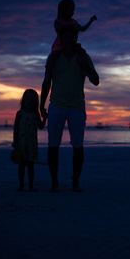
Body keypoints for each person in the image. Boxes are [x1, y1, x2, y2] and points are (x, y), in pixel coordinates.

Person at [40, 25, 100, 192]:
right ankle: (54, 182)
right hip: (56, 105)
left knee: (78, 146)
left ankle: (75, 182)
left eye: (72, 36)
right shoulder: (53, 57)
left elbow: (96, 80)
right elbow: (46, 82)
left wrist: (85, 67)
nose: (69, 39)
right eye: (65, 36)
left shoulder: (83, 56)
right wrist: (41, 105)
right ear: (60, 38)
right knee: (53, 145)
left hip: (77, 107)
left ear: (76, 38)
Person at [13, 89, 46, 192]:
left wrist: (45, 118)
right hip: (21, 143)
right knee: (21, 165)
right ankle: (21, 185)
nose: (30, 102)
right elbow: (16, 128)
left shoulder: (36, 114)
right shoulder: (20, 113)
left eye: (32, 100)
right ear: (24, 100)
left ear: (36, 102)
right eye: (28, 99)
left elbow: (40, 126)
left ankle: (31, 186)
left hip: (31, 143)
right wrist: (15, 142)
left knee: (31, 165)